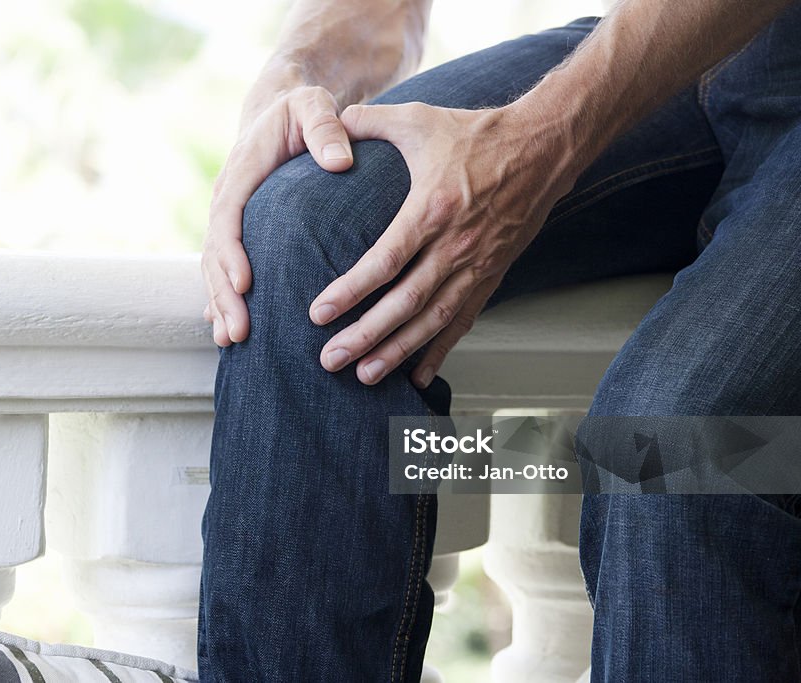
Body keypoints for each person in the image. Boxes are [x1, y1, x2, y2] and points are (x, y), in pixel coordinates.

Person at [198, 0, 801, 680]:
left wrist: (548, 137)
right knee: (302, 228)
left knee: (674, 443)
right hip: (690, 48)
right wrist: (296, 75)